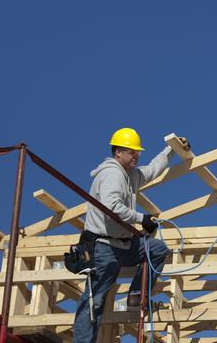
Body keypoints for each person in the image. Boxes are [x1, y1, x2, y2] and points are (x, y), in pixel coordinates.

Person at [73, 127, 173, 343]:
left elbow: (152, 170)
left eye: (137, 152)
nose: (136, 156)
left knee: (157, 249)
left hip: (124, 245)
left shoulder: (130, 174)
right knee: (95, 299)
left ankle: (136, 297)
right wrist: (141, 219)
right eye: (131, 152)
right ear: (118, 152)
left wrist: (169, 151)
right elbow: (112, 206)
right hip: (104, 248)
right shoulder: (112, 174)